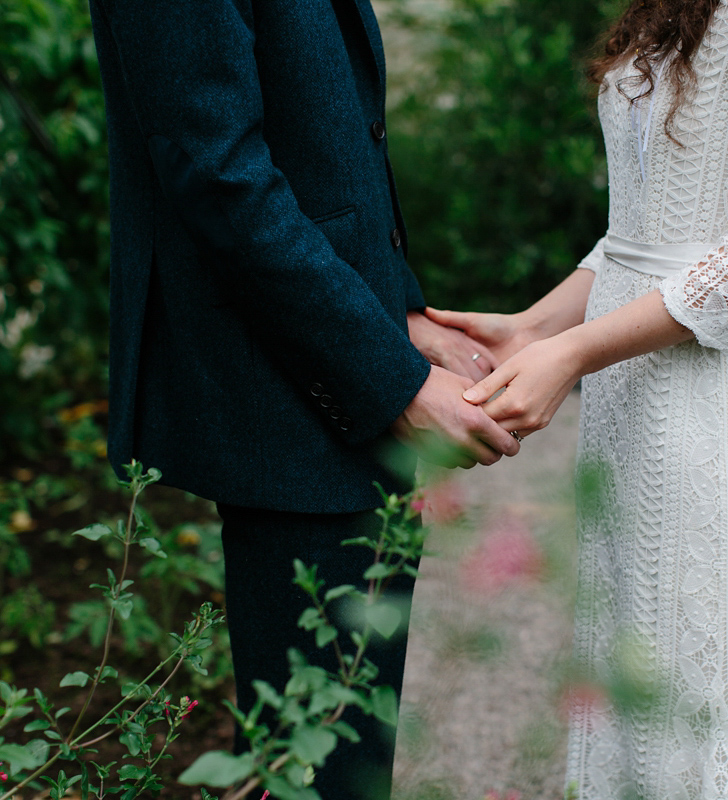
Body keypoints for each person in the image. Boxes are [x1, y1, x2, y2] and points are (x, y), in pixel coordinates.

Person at [428, 0, 728, 796]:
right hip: (629, 403)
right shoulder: (677, 7)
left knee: (706, 687)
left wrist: (576, 352)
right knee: (631, 679)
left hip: (714, 400)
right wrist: (533, 330)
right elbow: (638, 233)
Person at [86, 1, 519, 798]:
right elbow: (217, 172)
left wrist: (402, 317)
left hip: (333, 359)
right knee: (323, 771)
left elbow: (329, 131)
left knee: (349, 745)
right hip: (283, 393)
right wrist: (392, 380)